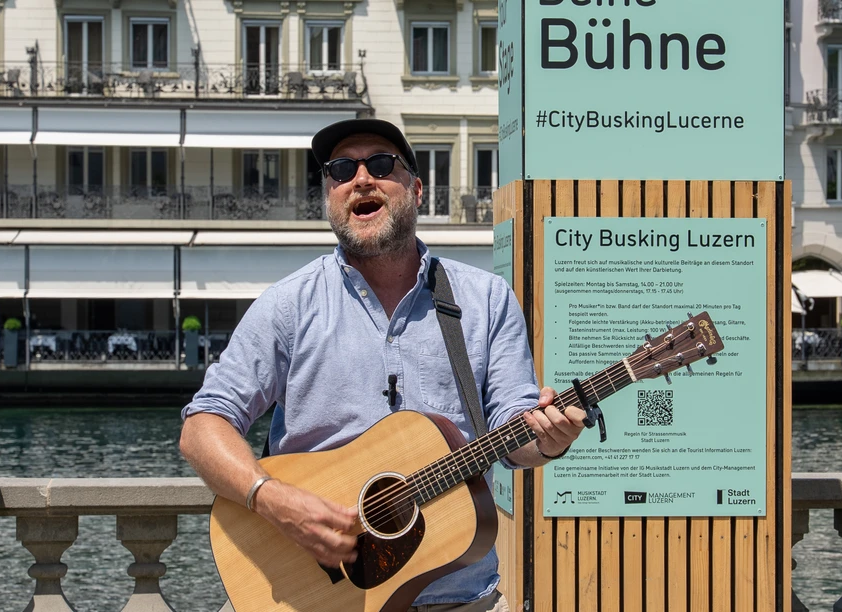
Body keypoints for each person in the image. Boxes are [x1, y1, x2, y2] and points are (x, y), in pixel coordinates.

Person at [179, 118, 586, 612]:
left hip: (458, 598)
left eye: (379, 164)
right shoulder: (288, 305)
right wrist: (271, 499)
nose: (360, 179)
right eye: (341, 169)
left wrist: (547, 440)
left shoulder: (486, 299)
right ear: (329, 197)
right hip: (313, 600)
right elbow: (202, 427)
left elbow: (512, 433)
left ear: (416, 190)